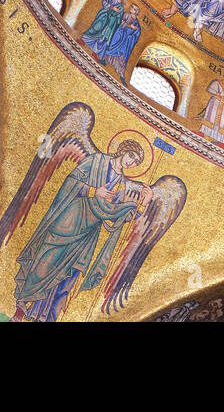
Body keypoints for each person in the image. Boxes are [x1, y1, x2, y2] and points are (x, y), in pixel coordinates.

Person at [9, 138, 150, 322]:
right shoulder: (96, 161)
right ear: (123, 150)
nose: (130, 162)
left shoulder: (121, 185)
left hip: (86, 237)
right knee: (43, 264)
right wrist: (93, 191)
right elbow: (70, 182)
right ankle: (19, 312)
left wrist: (141, 206)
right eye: (131, 156)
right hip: (66, 223)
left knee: (63, 280)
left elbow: (114, 217)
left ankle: (41, 317)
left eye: (135, 162)